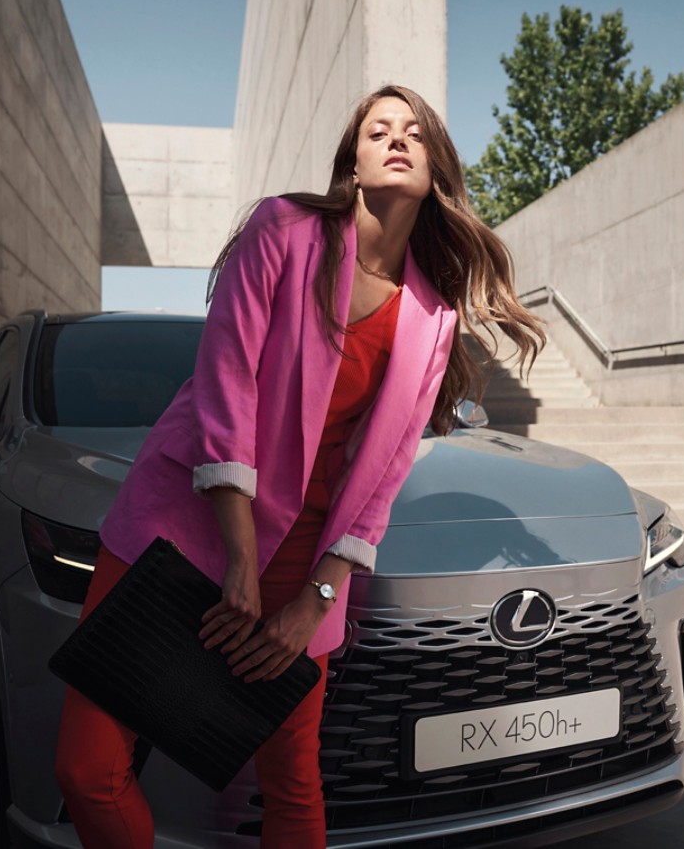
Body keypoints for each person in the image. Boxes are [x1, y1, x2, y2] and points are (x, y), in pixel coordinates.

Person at [52, 85, 545, 848]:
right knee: (89, 766)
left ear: (435, 167)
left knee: (291, 781)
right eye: (378, 129)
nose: (396, 139)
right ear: (352, 159)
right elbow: (226, 380)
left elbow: (381, 478)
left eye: (414, 132)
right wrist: (240, 557)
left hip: (308, 553)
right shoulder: (282, 230)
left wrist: (316, 601)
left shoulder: (433, 314)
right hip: (181, 521)